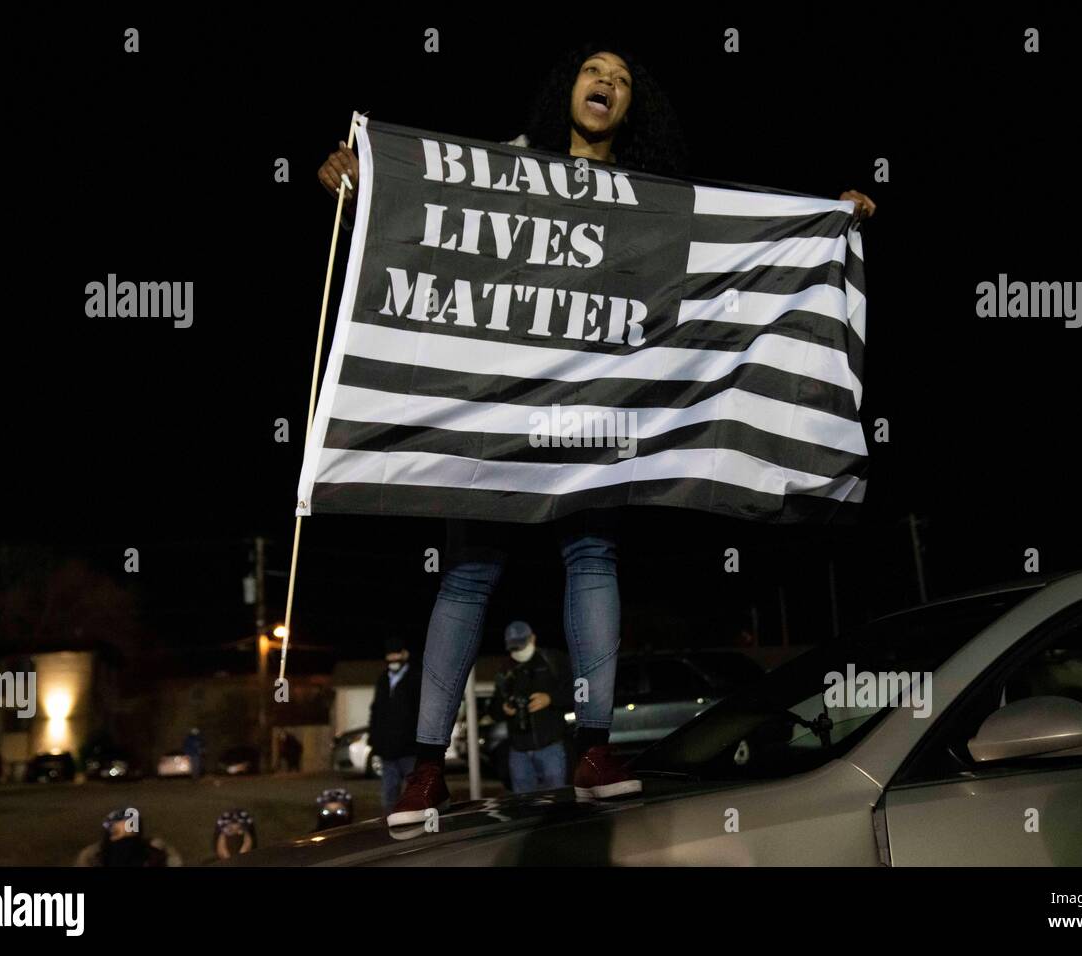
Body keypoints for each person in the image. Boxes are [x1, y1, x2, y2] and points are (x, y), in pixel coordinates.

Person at [318, 42, 875, 828]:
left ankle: (596, 749)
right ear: (567, 90)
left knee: (593, 554)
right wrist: (361, 174)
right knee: (469, 574)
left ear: (631, 108)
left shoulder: (653, 197)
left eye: (620, 79)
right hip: (503, 407)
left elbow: (743, 243)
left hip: (598, 409)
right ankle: (425, 771)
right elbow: (425, 207)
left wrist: (830, 221)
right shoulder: (508, 166)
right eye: (592, 71)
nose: (606, 83)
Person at [491, 621, 575, 793]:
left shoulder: (554, 660)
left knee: (557, 802)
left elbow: (579, 692)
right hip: (519, 752)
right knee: (523, 808)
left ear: (533, 639)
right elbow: (493, 708)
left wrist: (550, 699)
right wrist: (504, 708)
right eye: (514, 648)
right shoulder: (505, 670)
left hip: (551, 747)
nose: (518, 651)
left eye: (521, 645)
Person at [368, 636, 422, 815]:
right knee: (389, 797)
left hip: (410, 750)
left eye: (396, 655)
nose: (393, 661)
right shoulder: (383, 680)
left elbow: (420, 711)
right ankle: (390, 834)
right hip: (388, 751)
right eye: (389, 656)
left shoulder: (416, 677)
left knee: (416, 794)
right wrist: (375, 742)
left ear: (404, 654)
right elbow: (376, 711)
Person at [75, 809, 181, 867]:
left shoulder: (158, 854)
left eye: (129, 834)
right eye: (117, 834)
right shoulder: (92, 857)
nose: (124, 840)